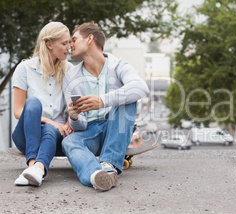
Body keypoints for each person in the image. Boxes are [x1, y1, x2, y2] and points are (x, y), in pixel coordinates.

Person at [62, 22, 149, 191]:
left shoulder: (118, 65)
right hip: (90, 131)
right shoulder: (70, 75)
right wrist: (73, 116)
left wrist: (102, 101)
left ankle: (108, 165)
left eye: (74, 39)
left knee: (128, 98)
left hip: (116, 127)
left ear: (90, 39)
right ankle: (97, 176)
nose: (70, 45)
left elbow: (141, 87)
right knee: (69, 142)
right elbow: (79, 126)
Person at [12, 22, 73, 186]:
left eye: (70, 42)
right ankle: (32, 164)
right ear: (49, 44)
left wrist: (68, 123)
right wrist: (49, 120)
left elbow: (74, 106)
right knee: (32, 103)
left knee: (50, 129)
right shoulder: (24, 68)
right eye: (64, 43)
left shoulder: (70, 70)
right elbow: (18, 111)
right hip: (26, 135)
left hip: (56, 136)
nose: (69, 47)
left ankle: (35, 170)